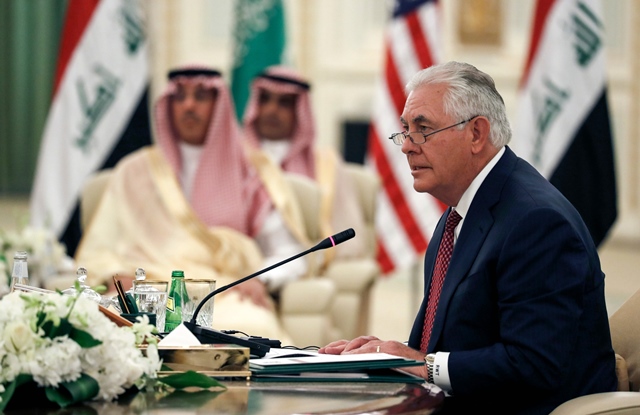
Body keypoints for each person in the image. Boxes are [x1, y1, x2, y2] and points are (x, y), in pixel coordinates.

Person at [319, 61, 617, 414]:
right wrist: (385, 351)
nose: (407, 146)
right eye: (405, 130)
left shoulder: (537, 221)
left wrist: (421, 364)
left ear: (476, 133)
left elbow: (535, 363)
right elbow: (444, 346)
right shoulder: (459, 213)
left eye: (423, 128)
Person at [75, 65, 302, 341]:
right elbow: (100, 245)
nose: (189, 106)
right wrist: (113, 273)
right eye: (180, 97)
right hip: (147, 291)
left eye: (200, 97)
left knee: (252, 328)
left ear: (219, 104)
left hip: (222, 293)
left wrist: (260, 280)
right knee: (98, 321)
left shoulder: (253, 169)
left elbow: (289, 253)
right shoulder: (134, 170)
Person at [241, 65, 367, 279]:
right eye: (265, 100)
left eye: (284, 103)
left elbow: (347, 238)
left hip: (296, 263)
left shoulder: (324, 164)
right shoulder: (237, 159)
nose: (272, 110)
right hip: (241, 258)